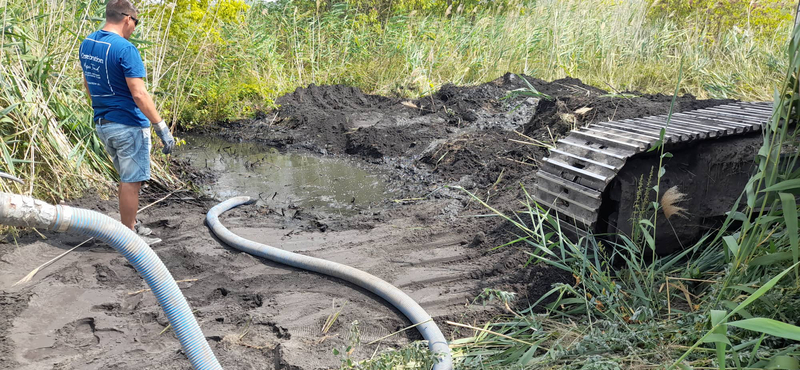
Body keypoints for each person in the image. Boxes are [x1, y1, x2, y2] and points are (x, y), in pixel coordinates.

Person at [79, 0, 174, 245]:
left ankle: (129, 225)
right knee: (132, 182)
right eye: (136, 22)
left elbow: (88, 85)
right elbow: (139, 94)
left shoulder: (88, 43)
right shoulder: (125, 49)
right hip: (129, 125)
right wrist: (161, 126)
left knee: (126, 177)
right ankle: (129, 239)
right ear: (126, 19)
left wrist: (103, 109)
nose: (135, 28)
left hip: (104, 123)